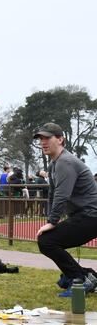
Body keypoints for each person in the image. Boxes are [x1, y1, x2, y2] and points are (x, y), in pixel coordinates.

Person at [33, 123, 97, 296]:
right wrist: (50, 220)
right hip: (85, 216)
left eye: (47, 138)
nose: (43, 142)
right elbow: (53, 194)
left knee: (47, 241)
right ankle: (83, 275)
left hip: (91, 216)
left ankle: (81, 279)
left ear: (60, 139)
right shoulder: (55, 164)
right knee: (48, 240)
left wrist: (53, 222)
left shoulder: (65, 162)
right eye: (41, 139)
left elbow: (62, 195)